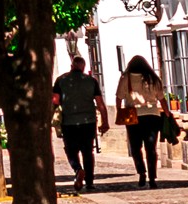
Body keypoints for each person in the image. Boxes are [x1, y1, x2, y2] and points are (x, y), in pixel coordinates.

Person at [51, 56, 108, 191]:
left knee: (71, 150)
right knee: (88, 151)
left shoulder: (61, 80)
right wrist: (105, 122)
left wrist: (49, 118)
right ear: (83, 67)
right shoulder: (91, 81)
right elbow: (100, 103)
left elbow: (55, 101)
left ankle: (77, 169)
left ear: (72, 66)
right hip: (88, 121)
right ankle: (89, 182)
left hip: (69, 122)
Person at [115, 55, 168, 189]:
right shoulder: (153, 78)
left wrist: (119, 111)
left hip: (133, 115)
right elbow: (161, 98)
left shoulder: (125, 78)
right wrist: (167, 113)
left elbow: (119, 97)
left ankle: (141, 172)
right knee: (151, 148)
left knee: (135, 147)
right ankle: (152, 177)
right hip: (152, 115)